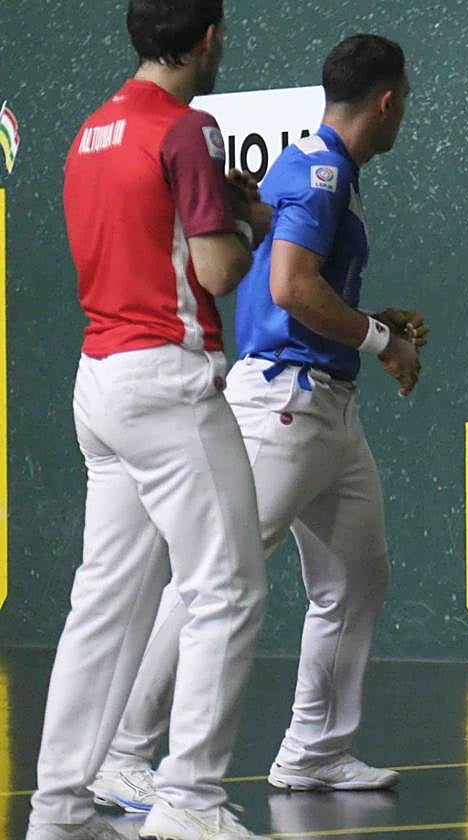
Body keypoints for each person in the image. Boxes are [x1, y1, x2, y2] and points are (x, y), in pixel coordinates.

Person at [88, 33, 424, 812]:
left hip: (327, 412)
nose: (404, 112)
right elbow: (291, 288)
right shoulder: (321, 172)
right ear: (386, 102)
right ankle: (123, 753)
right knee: (211, 579)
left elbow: (296, 268)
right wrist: (384, 342)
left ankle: (315, 751)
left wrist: (369, 320)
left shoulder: (311, 169)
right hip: (283, 407)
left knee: (357, 577)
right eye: (405, 100)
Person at [28, 2, 273, 839]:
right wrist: (246, 224)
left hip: (99, 384)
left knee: (103, 606)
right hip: (167, 384)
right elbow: (218, 268)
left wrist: (222, 212)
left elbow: (146, 233)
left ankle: (59, 811)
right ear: (207, 39)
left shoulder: (89, 133)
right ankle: (189, 800)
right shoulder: (187, 129)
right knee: (226, 591)